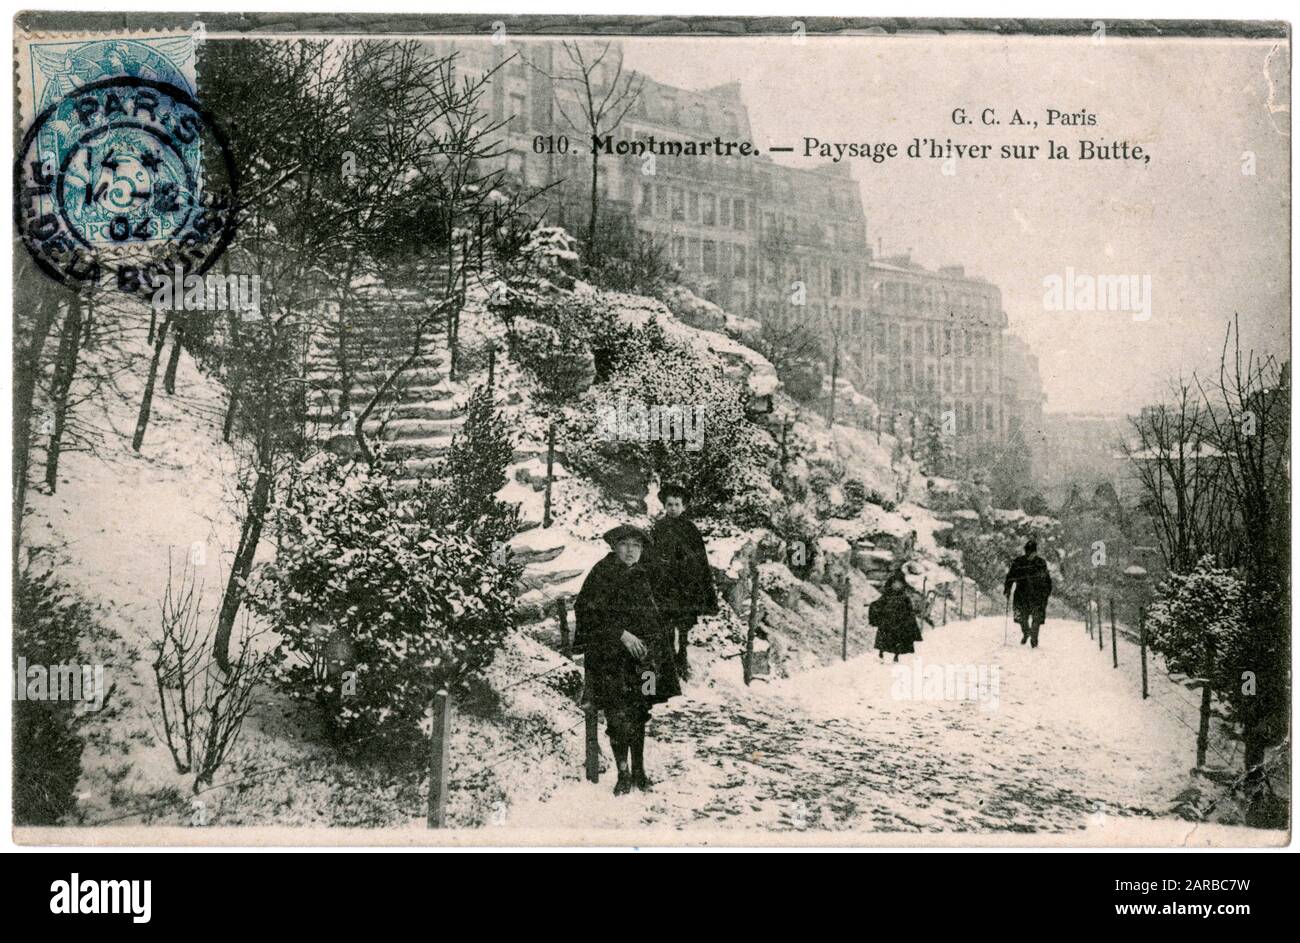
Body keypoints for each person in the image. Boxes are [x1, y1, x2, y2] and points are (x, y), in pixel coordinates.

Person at [574, 524, 681, 796]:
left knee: (640, 712)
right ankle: (623, 773)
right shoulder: (602, 573)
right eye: (624, 545)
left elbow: (662, 612)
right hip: (610, 661)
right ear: (614, 547)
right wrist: (621, 634)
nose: (630, 550)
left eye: (636, 545)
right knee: (617, 715)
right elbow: (587, 611)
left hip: (645, 663)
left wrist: (658, 645)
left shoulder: (647, 575)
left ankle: (640, 771)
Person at [648, 483, 717, 681]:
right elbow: (652, 553)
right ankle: (669, 661)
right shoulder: (659, 527)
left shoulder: (690, 529)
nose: (673, 508)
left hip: (685, 585)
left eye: (677, 504)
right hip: (665, 585)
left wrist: (698, 582)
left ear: (684, 507)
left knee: (684, 624)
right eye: (669, 504)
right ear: (665, 506)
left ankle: (683, 656)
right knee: (667, 623)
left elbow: (700, 559)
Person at [1003, 538, 1053, 648]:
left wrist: (1046, 592)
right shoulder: (1019, 562)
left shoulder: (1039, 563)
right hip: (1025, 595)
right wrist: (1007, 588)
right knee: (1023, 618)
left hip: (1034, 595)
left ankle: (1033, 637)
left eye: (1032, 551)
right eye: (1029, 551)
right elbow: (1011, 576)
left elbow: (1046, 579)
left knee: (1033, 618)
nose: (1030, 554)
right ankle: (1027, 632)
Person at [868, 569, 922, 663]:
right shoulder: (887, 595)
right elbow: (879, 604)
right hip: (887, 622)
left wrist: (910, 625)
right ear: (891, 584)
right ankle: (881, 654)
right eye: (895, 583)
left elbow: (909, 612)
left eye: (899, 584)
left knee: (897, 640)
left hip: (899, 624)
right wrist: (874, 607)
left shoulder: (904, 598)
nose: (897, 586)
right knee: (883, 639)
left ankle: (896, 656)